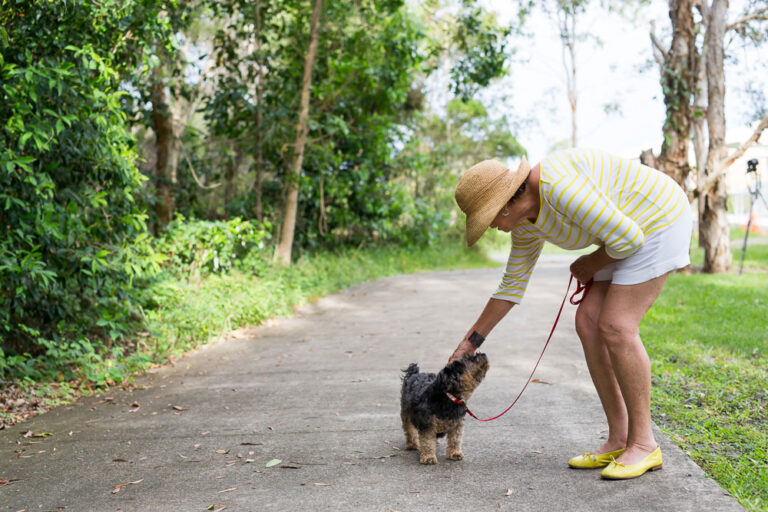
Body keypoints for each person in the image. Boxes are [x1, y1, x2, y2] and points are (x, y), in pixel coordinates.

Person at [448, 148, 692, 480]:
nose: (490, 227)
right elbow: (511, 286)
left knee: (616, 326)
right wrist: (469, 343)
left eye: (487, 219)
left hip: (658, 218)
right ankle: (619, 439)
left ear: (503, 206)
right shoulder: (525, 224)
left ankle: (645, 444)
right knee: (588, 323)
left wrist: (590, 263)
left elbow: (629, 237)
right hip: (625, 233)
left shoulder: (556, 187)